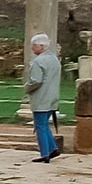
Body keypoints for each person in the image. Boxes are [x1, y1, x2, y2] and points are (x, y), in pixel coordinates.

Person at [24, 32, 62, 162]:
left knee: (40, 125)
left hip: (41, 98)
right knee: (44, 124)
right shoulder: (54, 59)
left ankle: (44, 153)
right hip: (52, 97)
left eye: (34, 46)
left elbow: (36, 81)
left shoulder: (38, 62)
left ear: (41, 47)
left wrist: (27, 88)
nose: (32, 48)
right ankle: (53, 148)